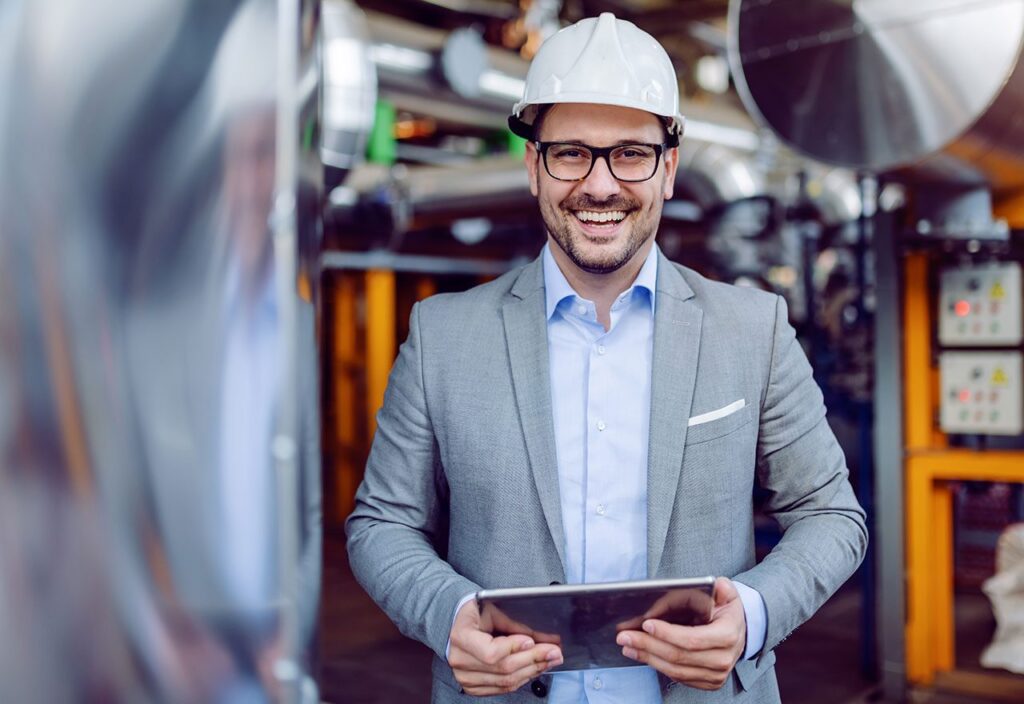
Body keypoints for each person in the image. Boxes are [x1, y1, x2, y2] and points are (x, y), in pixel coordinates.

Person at [347, 13, 867, 703]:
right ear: (533, 166)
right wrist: (450, 615)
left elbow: (831, 514)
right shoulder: (443, 335)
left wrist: (752, 615)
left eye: (630, 153)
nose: (599, 186)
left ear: (669, 170)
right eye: (570, 153)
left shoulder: (754, 329)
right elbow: (381, 525)